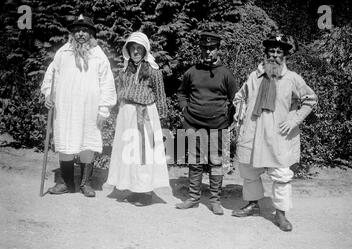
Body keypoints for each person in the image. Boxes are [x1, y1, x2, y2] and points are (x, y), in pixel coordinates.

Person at [231, 34, 318, 231]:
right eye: (271, 51)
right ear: (266, 53)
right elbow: (240, 96)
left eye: (279, 52)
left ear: (284, 56)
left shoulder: (292, 79)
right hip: (253, 132)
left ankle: (280, 215)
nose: (275, 56)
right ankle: (253, 205)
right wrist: (240, 111)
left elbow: (310, 99)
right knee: (249, 171)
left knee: (281, 174)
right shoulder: (254, 77)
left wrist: (294, 119)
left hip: (278, 135)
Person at [41, 14, 117, 197]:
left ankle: (85, 184)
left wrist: (104, 109)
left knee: (87, 144)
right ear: (72, 34)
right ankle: (66, 183)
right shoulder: (63, 53)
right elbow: (51, 76)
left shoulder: (99, 55)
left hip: (89, 109)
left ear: (91, 34)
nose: (81, 34)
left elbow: (107, 83)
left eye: (85, 31)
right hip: (65, 109)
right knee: (65, 143)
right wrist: (48, 94)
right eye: (77, 31)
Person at [175, 31, 238, 215]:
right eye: (205, 48)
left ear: (218, 50)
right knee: (195, 162)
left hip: (218, 126)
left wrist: (230, 120)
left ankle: (215, 201)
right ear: (200, 49)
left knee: (216, 163)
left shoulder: (226, 74)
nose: (208, 52)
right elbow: (181, 93)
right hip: (193, 124)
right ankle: (193, 198)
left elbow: (236, 99)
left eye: (212, 49)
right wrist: (184, 109)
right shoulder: (192, 72)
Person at [106, 31, 170, 206]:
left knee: (144, 153)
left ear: (145, 50)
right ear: (128, 50)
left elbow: (161, 95)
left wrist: (162, 118)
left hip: (145, 115)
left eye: (139, 49)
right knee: (128, 153)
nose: (135, 52)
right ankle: (135, 189)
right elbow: (120, 91)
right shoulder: (124, 70)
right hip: (127, 114)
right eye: (132, 48)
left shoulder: (153, 71)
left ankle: (146, 191)